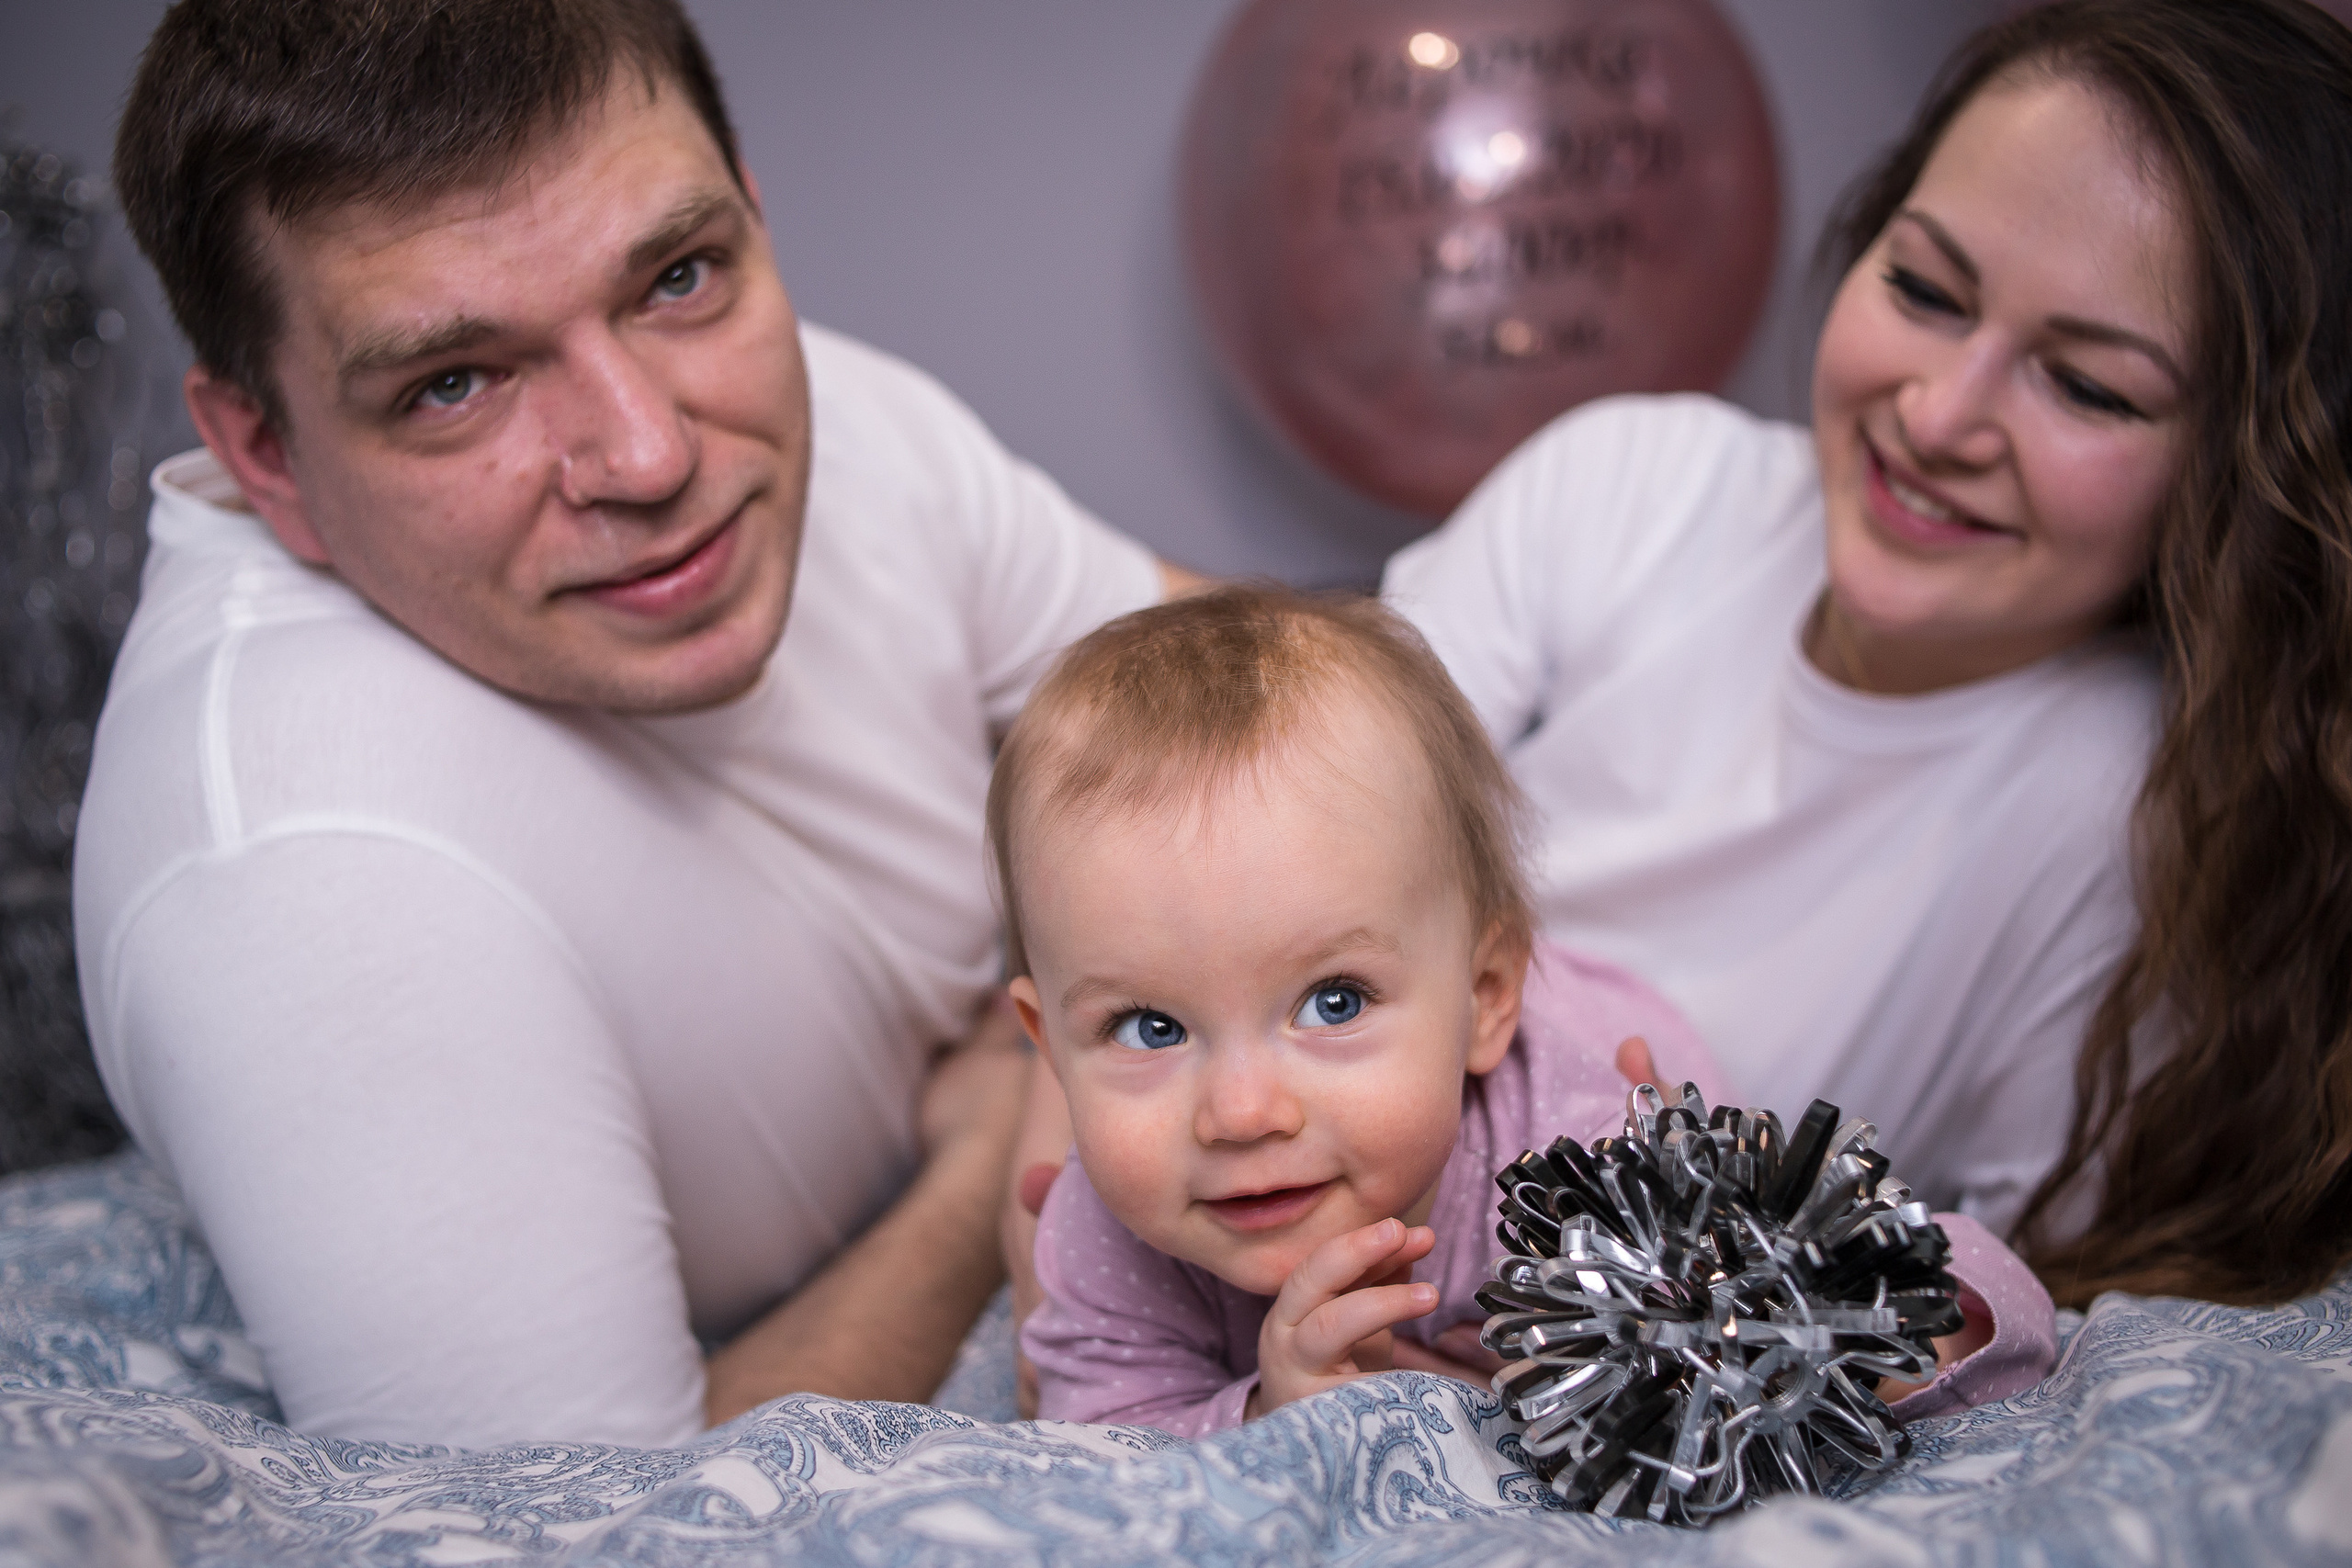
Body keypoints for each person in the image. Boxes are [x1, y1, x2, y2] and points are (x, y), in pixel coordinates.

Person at [77, 0, 1198, 1449]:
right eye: (455, 383)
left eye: (675, 275)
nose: (652, 453)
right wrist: (983, 1166)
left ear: (748, 213)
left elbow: (1245, 678)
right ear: (264, 452)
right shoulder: (301, 864)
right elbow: (592, 1524)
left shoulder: (824, 421)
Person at [1384, 0, 2352, 1309]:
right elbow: (1256, 853)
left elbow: (2000, 1309)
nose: (1939, 413)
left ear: (2237, 478)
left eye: (2088, 386)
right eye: (1924, 289)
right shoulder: (1630, 479)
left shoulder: (2127, 811)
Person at [999, 587, 2054, 1434]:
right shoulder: (1112, 1230)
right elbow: (1099, 1443)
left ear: (1485, 1001)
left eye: (1332, 1001)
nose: (1239, 1112)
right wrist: (1267, 1413)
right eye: (1149, 1027)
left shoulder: (1587, 1149)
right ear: (1051, 1047)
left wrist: (1805, 1323)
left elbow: (1982, 1292)